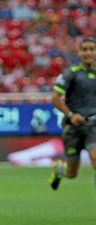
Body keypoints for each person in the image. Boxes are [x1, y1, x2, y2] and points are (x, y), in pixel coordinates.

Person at [49, 37, 96, 190]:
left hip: (93, 126)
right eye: (85, 49)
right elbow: (55, 99)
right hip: (73, 128)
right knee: (72, 173)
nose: (88, 53)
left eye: (91, 49)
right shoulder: (71, 73)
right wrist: (71, 115)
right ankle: (59, 170)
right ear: (79, 52)